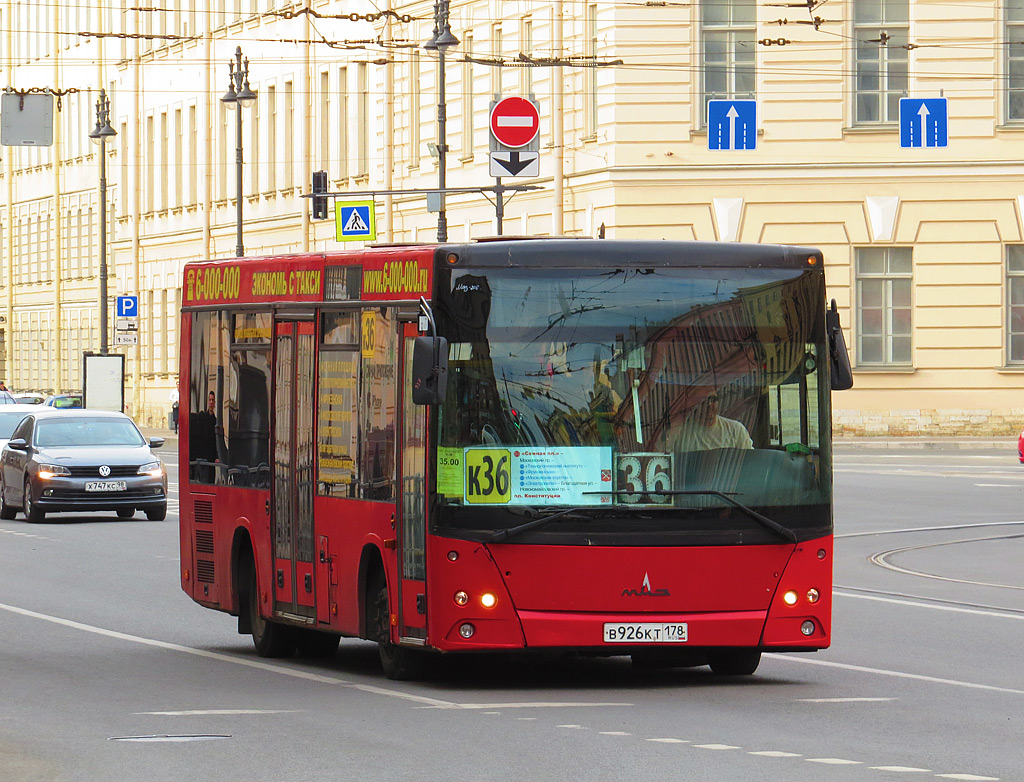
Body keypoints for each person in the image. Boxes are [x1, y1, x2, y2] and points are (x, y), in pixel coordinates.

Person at [669, 390, 752, 452]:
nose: (709, 404)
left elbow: (751, 461)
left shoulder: (736, 430)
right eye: (703, 400)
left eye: (713, 400)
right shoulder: (680, 433)